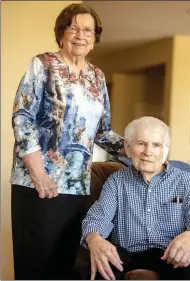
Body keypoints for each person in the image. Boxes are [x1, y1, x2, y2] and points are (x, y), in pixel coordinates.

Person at [11, 3, 125, 280]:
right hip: (37, 183)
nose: (80, 35)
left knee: (64, 266)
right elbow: (22, 117)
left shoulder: (97, 77)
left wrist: (136, 151)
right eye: (73, 27)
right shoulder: (43, 64)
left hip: (77, 186)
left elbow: (102, 132)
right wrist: (39, 174)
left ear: (95, 38)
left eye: (88, 30)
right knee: (35, 266)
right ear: (61, 32)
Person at [81, 116, 190, 280]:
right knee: (102, 263)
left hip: (168, 254)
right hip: (126, 253)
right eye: (141, 143)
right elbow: (98, 217)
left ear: (165, 151)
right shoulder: (116, 181)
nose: (148, 152)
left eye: (156, 145)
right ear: (128, 148)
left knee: (188, 266)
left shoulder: (187, 183)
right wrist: (94, 239)